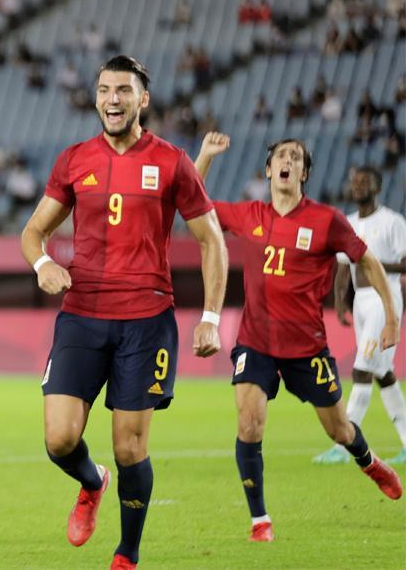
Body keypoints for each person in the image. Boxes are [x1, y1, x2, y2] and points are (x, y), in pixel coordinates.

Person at [20, 55, 228, 570]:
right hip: (83, 313)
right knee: (59, 438)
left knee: (130, 448)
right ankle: (92, 483)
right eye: (105, 90)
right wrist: (43, 263)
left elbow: (212, 242)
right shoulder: (73, 159)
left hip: (146, 320)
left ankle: (127, 554)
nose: (112, 99)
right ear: (95, 97)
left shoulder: (173, 162)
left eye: (123, 91)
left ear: (143, 100)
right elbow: (33, 231)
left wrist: (212, 317)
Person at [193, 133, 403, 544]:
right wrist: (204, 157)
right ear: (270, 170)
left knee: (340, 430)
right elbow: (193, 207)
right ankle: (260, 520)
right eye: (280, 156)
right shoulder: (247, 213)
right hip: (255, 342)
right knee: (249, 422)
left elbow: (369, 262)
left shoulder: (326, 220)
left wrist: (391, 317)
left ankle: (370, 461)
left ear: (303, 173)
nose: (287, 161)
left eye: (296, 157)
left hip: (307, 349)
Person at [313, 166, 406, 465]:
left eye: (364, 182)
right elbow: (343, 267)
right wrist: (340, 302)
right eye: (354, 182)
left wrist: (373, 264)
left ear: (377, 187)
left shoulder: (392, 222)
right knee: (383, 374)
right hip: (361, 302)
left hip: (384, 298)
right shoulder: (348, 223)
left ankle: (344, 444)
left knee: (362, 368)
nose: (357, 187)